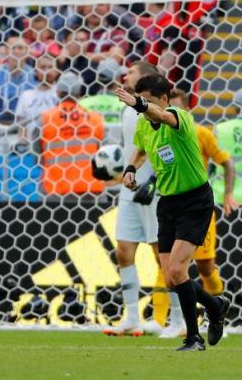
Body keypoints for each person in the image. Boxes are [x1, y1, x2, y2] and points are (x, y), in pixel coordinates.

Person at [117, 74, 230, 352]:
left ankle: (194, 338)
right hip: (167, 202)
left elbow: (161, 116)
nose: (146, 108)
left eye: (152, 101)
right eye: (142, 102)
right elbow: (141, 149)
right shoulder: (145, 124)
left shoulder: (179, 117)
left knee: (179, 270)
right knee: (170, 277)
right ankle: (216, 305)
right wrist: (131, 168)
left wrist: (141, 104)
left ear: (164, 100)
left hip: (195, 200)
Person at [99, 61, 183, 338]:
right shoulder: (126, 110)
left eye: (132, 72)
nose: (127, 75)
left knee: (165, 258)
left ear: (148, 78)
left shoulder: (159, 112)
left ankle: (179, 320)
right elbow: (133, 149)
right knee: (123, 251)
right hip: (130, 189)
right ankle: (132, 318)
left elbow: (171, 146)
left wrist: (157, 180)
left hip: (157, 191)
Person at [168, 88, 239, 298]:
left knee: (205, 267)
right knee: (165, 263)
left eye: (177, 109)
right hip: (170, 206)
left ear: (188, 110)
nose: (173, 114)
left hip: (198, 208)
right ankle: (163, 320)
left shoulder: (201, 134)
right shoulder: (159, 135)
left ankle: (217, 314)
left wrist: (228, 194)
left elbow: (227, 162)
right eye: (169, 109)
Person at [38, 72, 104, 197]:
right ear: (79, 93)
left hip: (57, 186)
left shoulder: (45, 118)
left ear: (57, 92)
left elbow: (37, 153)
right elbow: (102, 148)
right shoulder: (95, 118)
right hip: (91, 186)